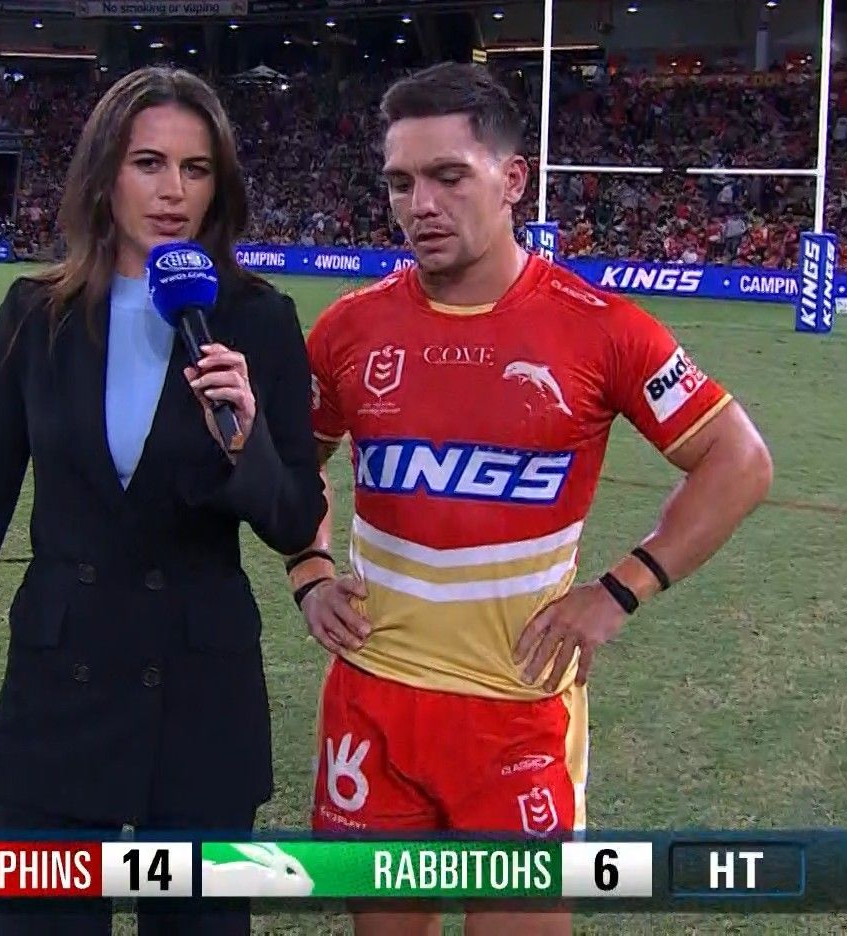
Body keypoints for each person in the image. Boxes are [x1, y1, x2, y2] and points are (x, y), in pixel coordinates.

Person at [294, 63, 774, 936]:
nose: (420, 205)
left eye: (449, 176)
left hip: (519, 711)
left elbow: (739, 460)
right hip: (373, 701)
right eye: (400, 183)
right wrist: (309, 568)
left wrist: (621, 589)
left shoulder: (601, 328)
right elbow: (294, 462)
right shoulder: (349, 328)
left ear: (513, 179)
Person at [0, 66, 326, 936]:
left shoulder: (258, 319)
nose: (172, 191)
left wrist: (248, 442)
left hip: (199, 697)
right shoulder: (34, 315)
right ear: (104, 174)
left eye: (195, 169)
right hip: (60, 691)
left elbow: (294, 516)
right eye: (148, 163)